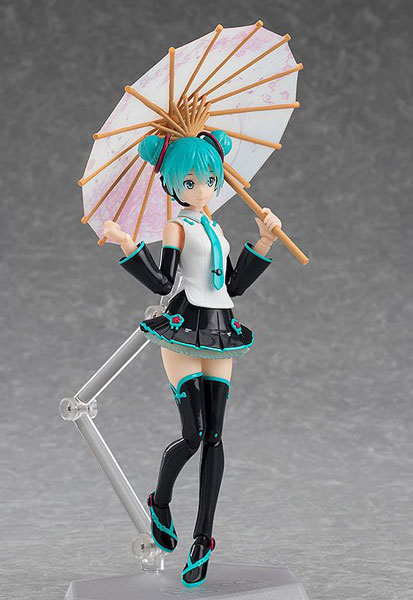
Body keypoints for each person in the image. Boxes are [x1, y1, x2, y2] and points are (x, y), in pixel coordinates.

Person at [103, 129, 281, 588]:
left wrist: (263, 242)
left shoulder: (216, 229)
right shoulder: (177, 227)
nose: (202, 189)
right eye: (190, 182)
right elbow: (164, 284)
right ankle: (159, 502)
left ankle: (203, 539)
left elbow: (232, 286)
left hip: (221, 327)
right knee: (194, 433)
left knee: (216, 436)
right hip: (184, 327)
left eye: (209, 180)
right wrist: (127, 243)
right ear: (171, 183)